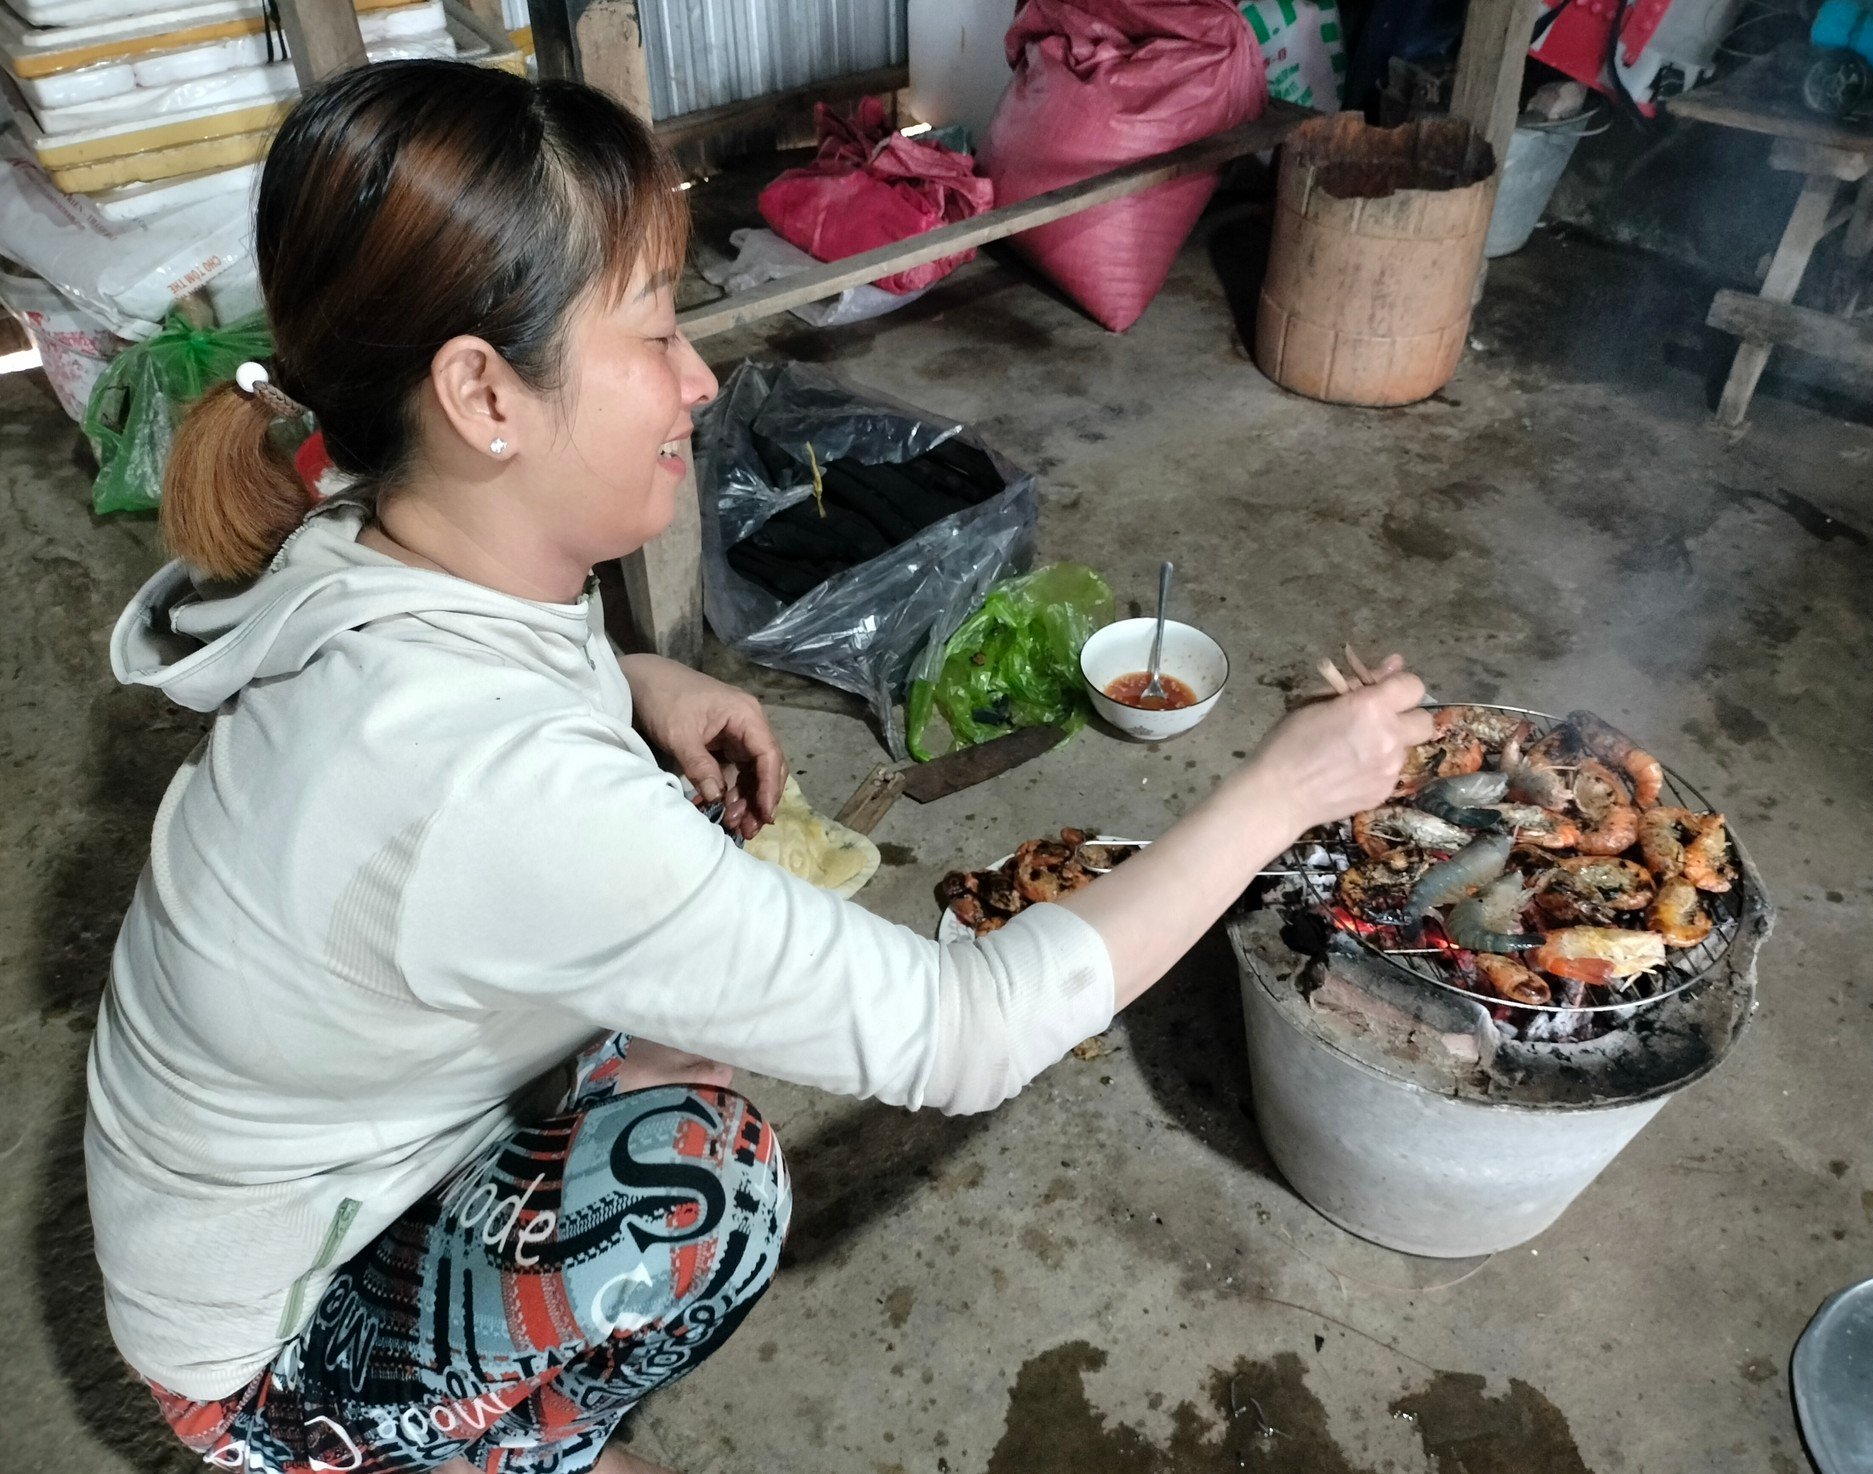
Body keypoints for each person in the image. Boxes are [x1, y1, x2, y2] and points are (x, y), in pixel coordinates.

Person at [86, 59, 1432, 1474]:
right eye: (654, 329)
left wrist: (633, 679)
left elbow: (452, 733)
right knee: (703, 1180)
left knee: (685, 1005)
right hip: (262, 1339)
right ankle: (465, 1446)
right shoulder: (499, 789)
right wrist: (1280, 791)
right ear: (484, 393)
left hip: (277, 1159)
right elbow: (962, 1032)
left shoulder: (369, 527)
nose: (698, 379)